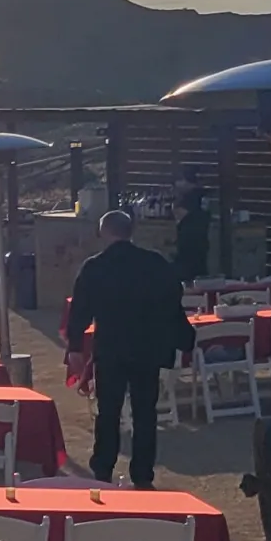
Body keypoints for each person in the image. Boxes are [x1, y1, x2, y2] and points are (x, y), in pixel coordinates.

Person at [65, 208, 193, 487]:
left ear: (103, 232)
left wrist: (75, 345)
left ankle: (103, 469)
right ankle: (142, 473)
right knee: (145, 412)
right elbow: (172, 304)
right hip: (147, 348)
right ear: (131, 231)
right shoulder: (155, 263)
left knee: (108, 411)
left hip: (110, 348)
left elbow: (80, 311)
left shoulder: (95, 267)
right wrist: (185, 339)